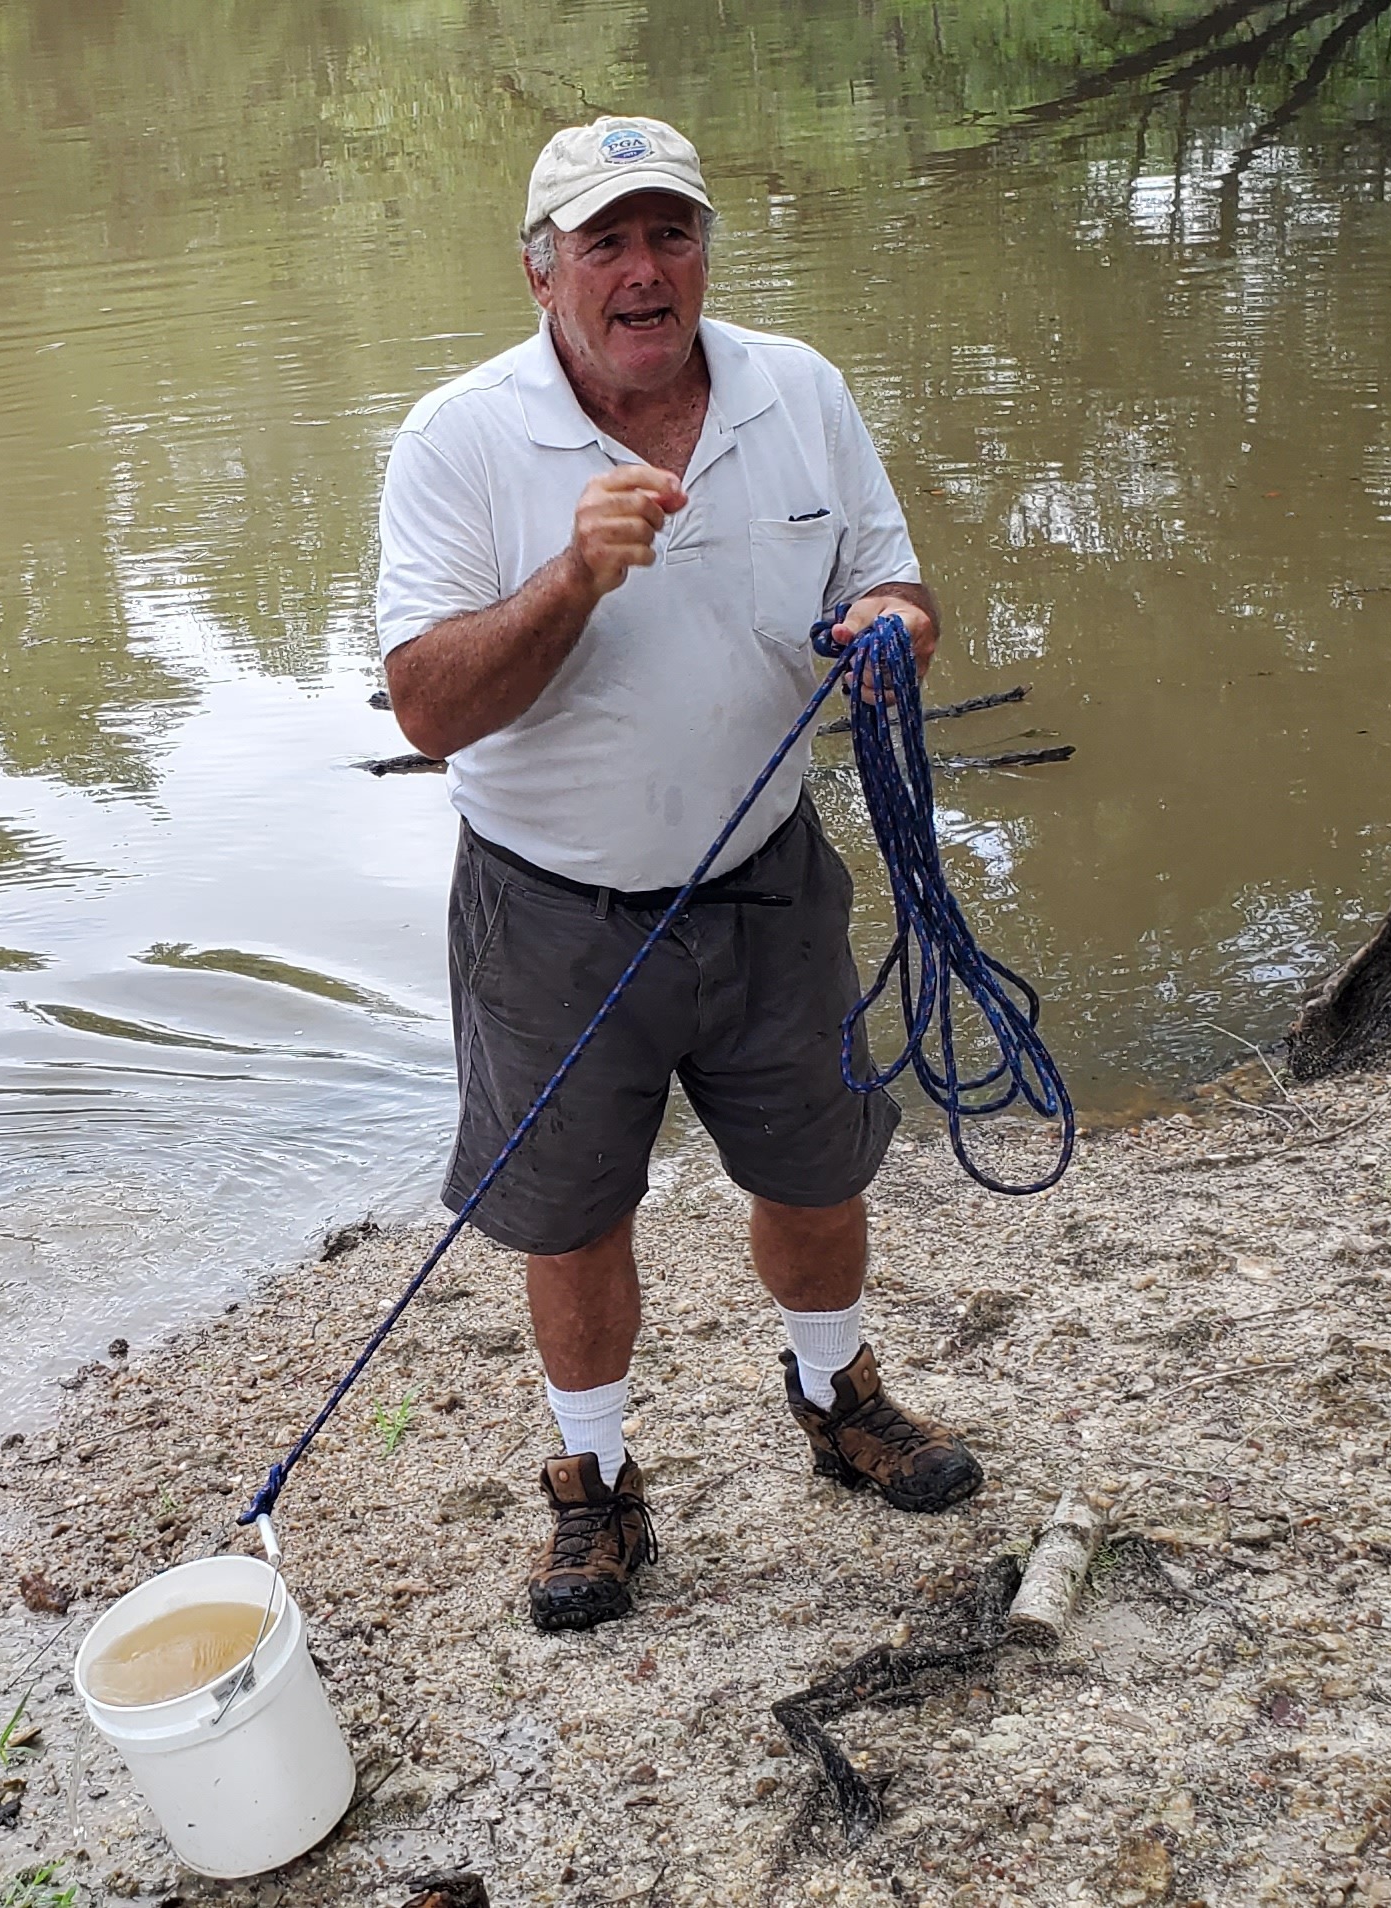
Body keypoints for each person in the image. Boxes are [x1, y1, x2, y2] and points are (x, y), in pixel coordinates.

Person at [373, 115, 985, 1633]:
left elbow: (891, 579)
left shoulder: (803, 393)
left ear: (704, 247)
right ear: (542, 275)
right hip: (552, 913)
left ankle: (837, 1391)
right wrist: (572, 576)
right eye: (608, 242)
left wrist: (897, 627)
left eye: (673, 233)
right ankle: (593, 1485)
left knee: (819, 1166)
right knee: (571, 1218)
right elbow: (429, 711)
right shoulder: (460, 440)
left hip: (773, 884)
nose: (647, 272)